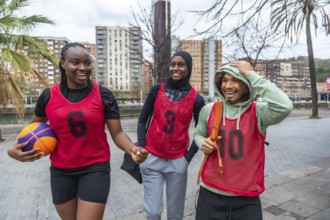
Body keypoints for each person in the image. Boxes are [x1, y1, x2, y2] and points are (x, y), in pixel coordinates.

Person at [7, 42, 148, 220]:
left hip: (95, 168)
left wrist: (132, 149)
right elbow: (32, 130)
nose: (83, 68)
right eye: (75, 62)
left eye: (87, 63)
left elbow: (117, 133)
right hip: (61, 171)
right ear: (62, 64)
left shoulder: (103, 95)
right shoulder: (48, 96)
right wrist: (13, 150)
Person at [194, 60, 293, 220]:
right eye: (225, 80)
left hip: (246, 199)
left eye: (235, 80)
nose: (228, 86)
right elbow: (198, 134)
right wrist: (202, 143)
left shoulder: (259, 113)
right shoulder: (209, 109)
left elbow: (285, 106)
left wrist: (251, 74)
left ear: (246, 85)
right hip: (210, 193)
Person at [137, 51, 205, 220]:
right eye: (173, 64)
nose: (175, 68)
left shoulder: (197, 99)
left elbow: (201, 132)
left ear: (188, 68)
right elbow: (142, 118)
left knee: (175, 215)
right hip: (152, 159)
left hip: (177, 162)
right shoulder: (156, 89)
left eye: (181, 65)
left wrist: (186, 160)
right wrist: (141, 145)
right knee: (153, 212)